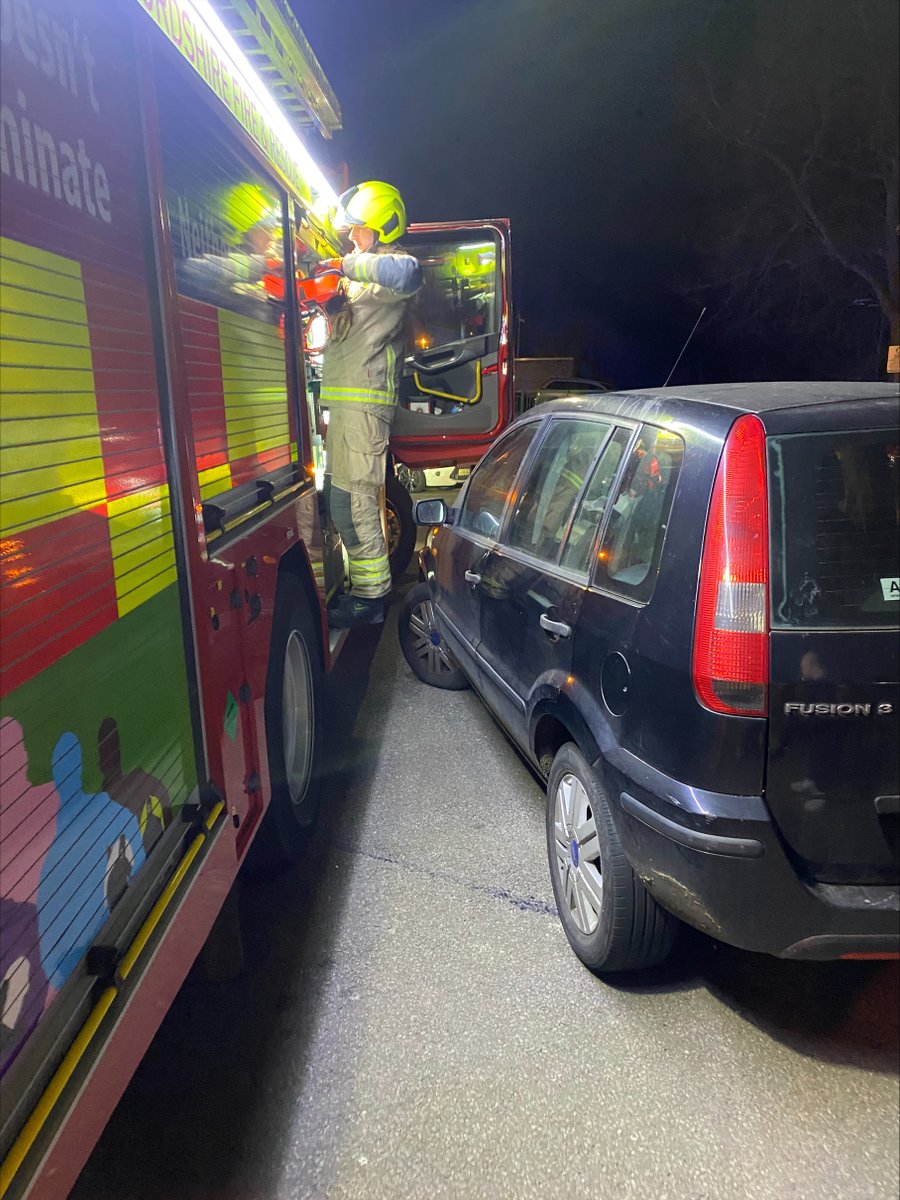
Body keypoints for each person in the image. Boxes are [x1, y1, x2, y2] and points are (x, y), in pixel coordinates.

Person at [321, 182, 422, 627]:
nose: (351, 238)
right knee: (345, 502)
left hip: (364, 411)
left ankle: (371, 599)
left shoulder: (390, 270)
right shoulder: (362, 279)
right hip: (348, 410)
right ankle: (366, 592)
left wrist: (343, 265)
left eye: (357, 230)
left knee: (355, 503)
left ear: (381, 228)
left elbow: (408, 273)